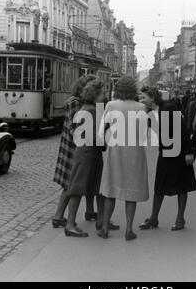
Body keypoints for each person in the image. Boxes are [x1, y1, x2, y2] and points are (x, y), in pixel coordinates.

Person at [98, 76, 150, 241]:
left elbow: (101, 131)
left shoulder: (111, 105)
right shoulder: (142, 107)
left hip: (116, 150)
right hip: (135, 151)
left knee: (111, 190)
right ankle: (129, 229)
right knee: (131, 191)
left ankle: (105, 227)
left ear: (118, 89)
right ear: (133, 90)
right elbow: (144, 134)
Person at [139, 87, 196, 231]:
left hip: (179, 152)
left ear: (152, 97)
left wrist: (189, 152)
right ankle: (153, 218)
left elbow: (183, 129)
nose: (142, 100)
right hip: (165, 152)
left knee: (182, 186)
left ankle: (180, 218)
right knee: (159, 186)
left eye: (144, 97)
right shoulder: (150, 112)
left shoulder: (168, 108)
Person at [52, 75, 98, 228]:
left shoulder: (81, 103)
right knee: (70, 184)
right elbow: (74, 129)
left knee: (83, 181)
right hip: (73, 148)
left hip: (77, 146)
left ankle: (89, 211)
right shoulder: (75, 103)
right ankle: (58, 216)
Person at [64, 80, 107, 237]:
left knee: (87, 187)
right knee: (78, 188)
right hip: (89, 153)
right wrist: (104, 144)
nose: (105, 95)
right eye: (102, 93)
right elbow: (94, 136)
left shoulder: (87, 108)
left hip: (88, 153)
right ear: (95, 95)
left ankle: (95, 220)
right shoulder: (92, 110)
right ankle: (70, 225)